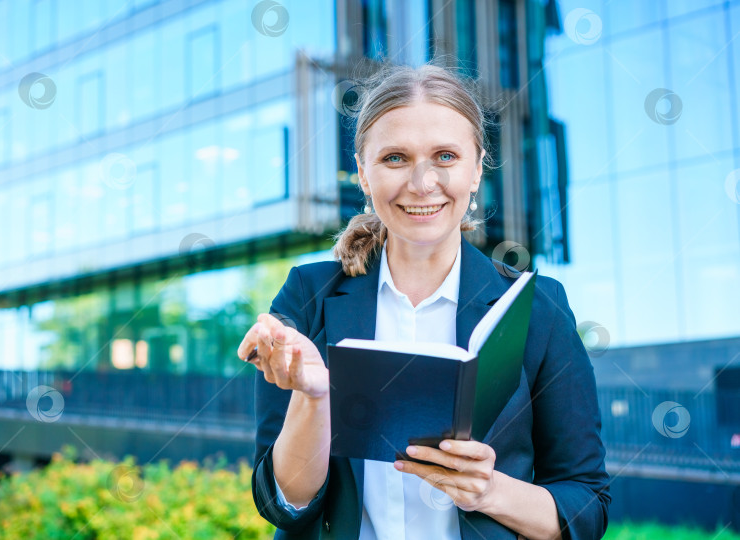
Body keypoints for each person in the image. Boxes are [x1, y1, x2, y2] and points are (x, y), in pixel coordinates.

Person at [238, 62, 611, 540]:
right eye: (394, 158)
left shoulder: (539, 308)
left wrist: (489, 491)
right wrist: (314, 400)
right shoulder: (307, 297)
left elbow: (587, 505)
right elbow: (281, 504)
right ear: (363, 175)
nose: (421, 183)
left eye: (445, 156)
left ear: (476, 168)